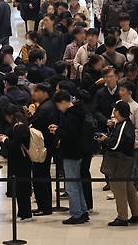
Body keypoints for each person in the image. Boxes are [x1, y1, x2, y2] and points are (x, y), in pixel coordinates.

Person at [97, 100, 138, 226]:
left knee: (119, 189)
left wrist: (105, 140)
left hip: (120, 161)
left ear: (118, 112)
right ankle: (137, 214)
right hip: (126, 160)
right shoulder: (124, 124)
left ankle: (122, 217)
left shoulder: (123, 125)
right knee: (129, 188)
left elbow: (115, 145)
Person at [49, 91, 88, 224]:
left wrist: (57, 131)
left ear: (64, 102)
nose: (58, 108)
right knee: (77, 184)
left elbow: (70, 135)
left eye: (59, 105)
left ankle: (76, 214)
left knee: (71, 185)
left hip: (71, 153)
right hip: (78, 152)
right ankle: (83, 211)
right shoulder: (78, 112)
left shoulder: (71, 116)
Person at [0, 109, 33, 221]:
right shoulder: (23, 126)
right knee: (22, 188)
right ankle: (23, 212)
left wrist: (4, 140)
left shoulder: (18, 127)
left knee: (21, 189)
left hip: (19, 162)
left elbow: (14, 146)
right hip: (23, 161)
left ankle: (25, 214)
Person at [27, 83, 58, 216]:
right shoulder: (47, 106)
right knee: (42, 175)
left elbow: (36, 123)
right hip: (44, 145)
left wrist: (31, 117)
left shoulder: (46, 108)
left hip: (43, 146)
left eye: (36, 92)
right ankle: (44, 206)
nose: (34, 94)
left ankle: (44, 207)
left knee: (40, 175)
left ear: (44, 92)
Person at [117, 80, 138, 186]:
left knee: (133, 169)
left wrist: (136, 143)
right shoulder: (118, 104)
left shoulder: (137, 108)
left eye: (123, 90)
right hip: (120, 142)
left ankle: (133, 189)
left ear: (130, 92)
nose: (120, 92)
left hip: (131, 143)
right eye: (120, 90)